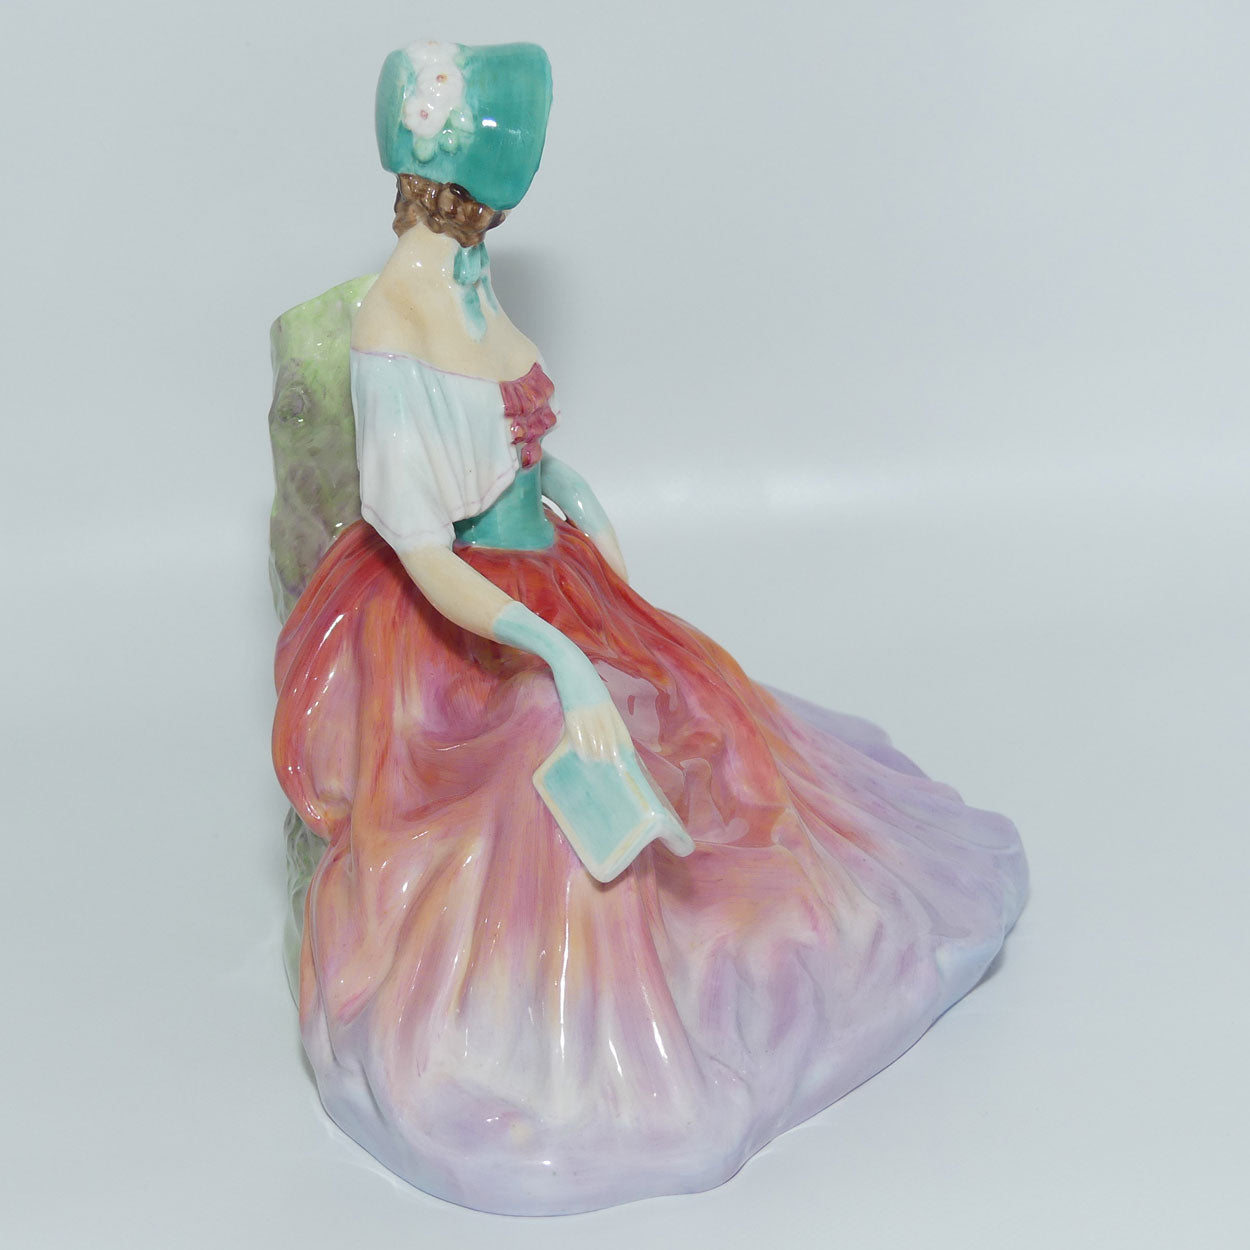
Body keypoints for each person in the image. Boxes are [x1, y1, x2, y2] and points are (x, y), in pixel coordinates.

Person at [271, 40, 1028, 1216]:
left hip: (536, 570)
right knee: (549, 751)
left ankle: (740, 929)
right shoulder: (393, 321)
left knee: (698, 711)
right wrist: (557, 656)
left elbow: (504, 438)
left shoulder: (468, 270)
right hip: (448, 621)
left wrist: (565, 493)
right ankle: (573, 1029)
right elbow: (423, 548)